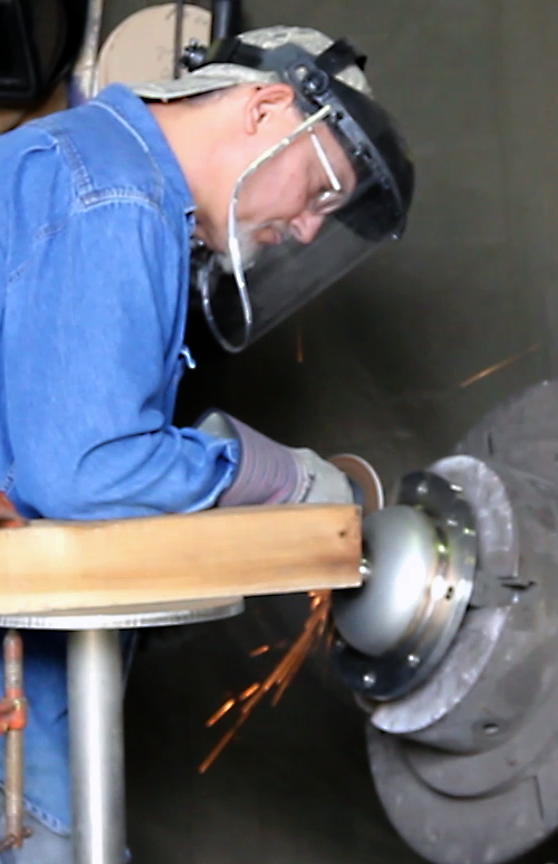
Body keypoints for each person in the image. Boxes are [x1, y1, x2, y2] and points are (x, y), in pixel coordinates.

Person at [0, 23, 414, 862]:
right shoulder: (115, 195)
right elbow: (87, 469)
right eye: (320, 191)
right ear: (267, 108)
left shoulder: (86, 168)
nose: (305, 230)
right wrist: (273, 477)